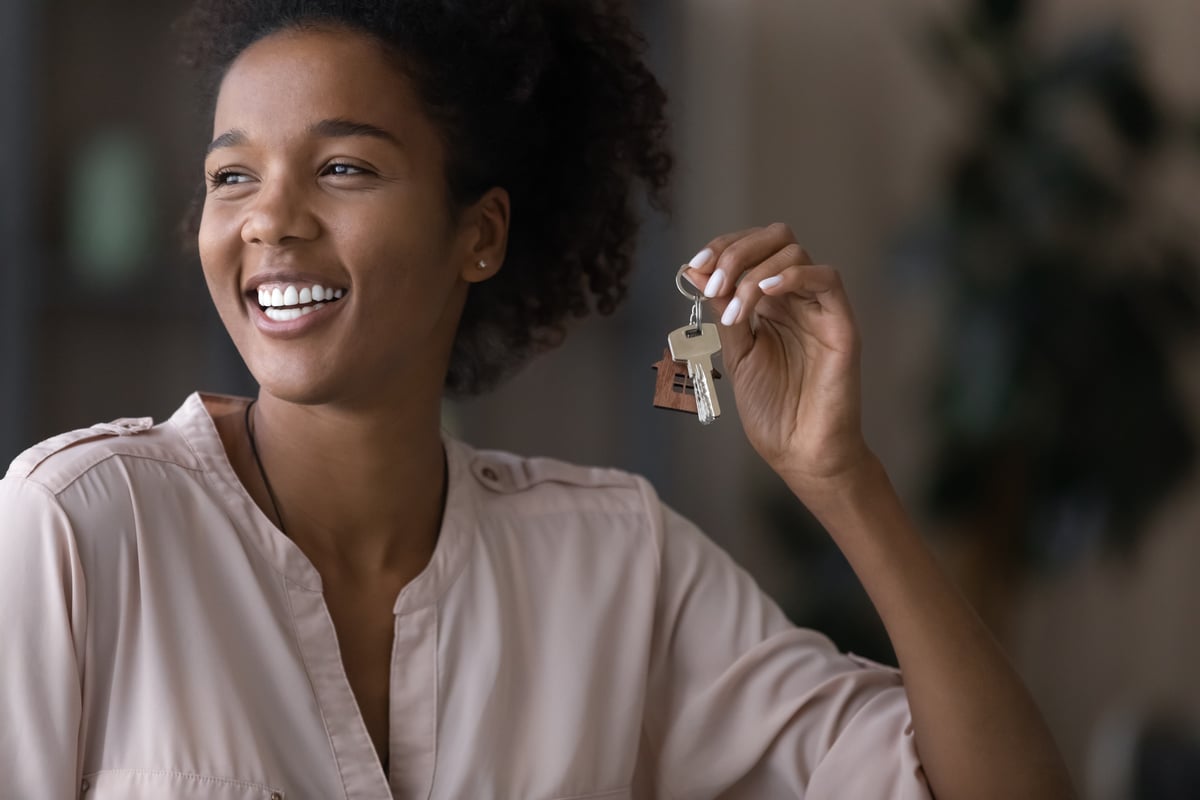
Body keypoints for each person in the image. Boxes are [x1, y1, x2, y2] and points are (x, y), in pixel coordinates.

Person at [0, 1, 1076, 798]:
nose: (269, 220)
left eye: (343, 169)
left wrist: (841, 477)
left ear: (481, 233)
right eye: (232, 176)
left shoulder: (615, 560)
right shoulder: (83, 524)